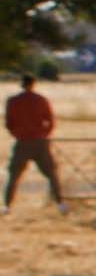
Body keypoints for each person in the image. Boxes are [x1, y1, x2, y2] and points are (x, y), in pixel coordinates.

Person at [4, 71, 59, 209]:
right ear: (33, 84)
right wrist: (44, 134)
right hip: (40, 142)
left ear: (21, 84)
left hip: (22, 142)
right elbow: (50, 120)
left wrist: (17, 134)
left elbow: (9, 123)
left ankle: (7, 205)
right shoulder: (41, 100)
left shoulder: (13, 101)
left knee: (14, 175)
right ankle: (59, 203)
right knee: (51, 173)